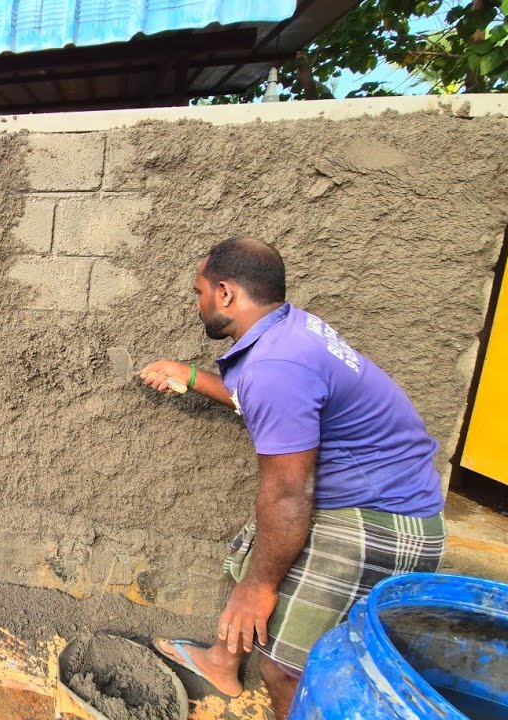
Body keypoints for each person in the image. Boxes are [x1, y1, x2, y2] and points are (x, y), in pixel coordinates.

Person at [139, 237, 446, 718]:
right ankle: (222, 663)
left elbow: (288, 494)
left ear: (225, 294)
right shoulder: (289, 329)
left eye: (198, 292)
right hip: (370, 492)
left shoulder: (276, 366)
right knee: (259, 552)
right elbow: (272, 403)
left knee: (285, 667)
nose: (195, 303)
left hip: (380, 517)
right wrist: (193, 377)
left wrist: (258, 587)